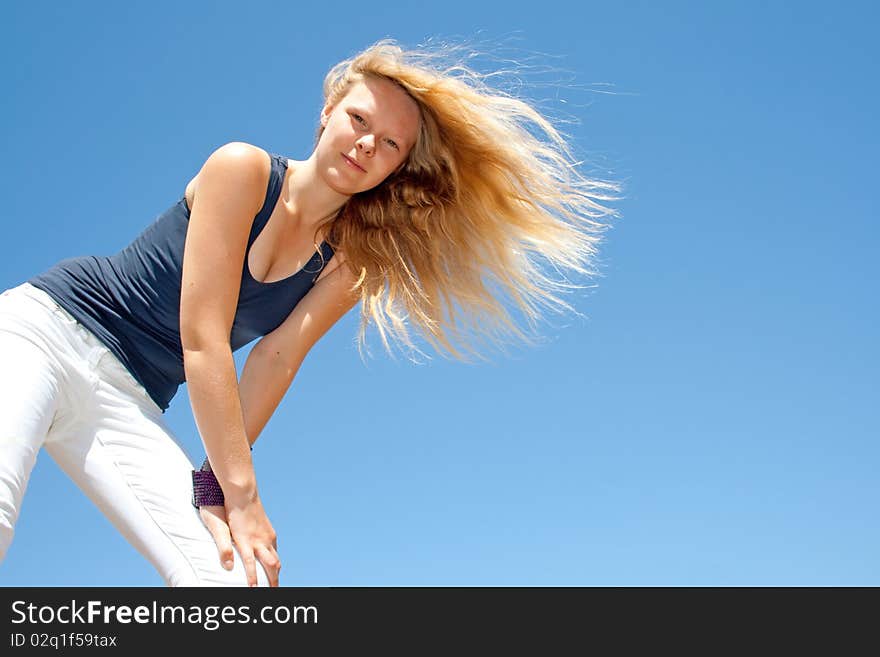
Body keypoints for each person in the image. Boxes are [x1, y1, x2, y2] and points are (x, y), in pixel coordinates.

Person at [0, 39, 621, 586]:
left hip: (130, 397)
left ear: (395, 168)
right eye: (358, 118)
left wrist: (214, 486)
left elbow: (276, 357)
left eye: (390, 144)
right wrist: (240, 496)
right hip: (44, 331)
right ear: (327, 114)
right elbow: (203, 339)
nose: (367, 143)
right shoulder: (241, 169)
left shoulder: (348, 263)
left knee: (232, 584)